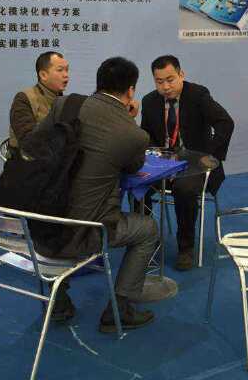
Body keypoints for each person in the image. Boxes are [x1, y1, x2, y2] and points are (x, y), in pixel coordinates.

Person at [37, 57, 157, 333]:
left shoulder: (64, 105)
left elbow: (39, 144)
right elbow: (132, 167)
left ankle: (58, 303)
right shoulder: (133, 134)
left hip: (41, 221)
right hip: (85, 230)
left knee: (64, 211)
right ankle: (119, 311)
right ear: (130, 91)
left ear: (98, 82)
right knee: (148, 229)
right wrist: (128, 118)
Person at [141, 55, 234, 270]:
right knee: (137, 182)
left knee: (184, 189)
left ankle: (185, 247)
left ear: (181, 74)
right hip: (164, 163)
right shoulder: (149, 101)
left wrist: (209, 156)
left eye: (170, 79)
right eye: (159, 82)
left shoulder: (198, 95)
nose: (165, 87)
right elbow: (147, 136)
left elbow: (225, 123)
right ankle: (146, 239)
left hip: (196, 163)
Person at [8, 51, 69, 153]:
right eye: (60, 70)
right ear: (43, 75)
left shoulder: (65, 101)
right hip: (28, 159)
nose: (66, 75)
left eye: (67, 70)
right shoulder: (24, 98)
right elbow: (27, 141)